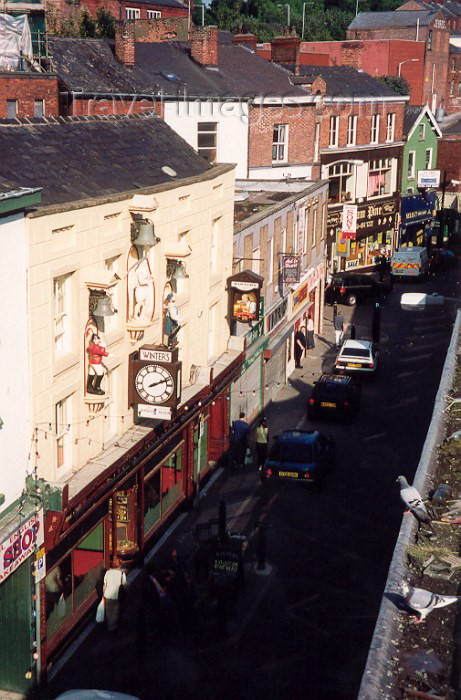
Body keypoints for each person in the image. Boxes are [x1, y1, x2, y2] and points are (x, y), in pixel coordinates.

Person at [103, 557, 127, 632]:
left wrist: (103, 594)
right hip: (116, 595)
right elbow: (125, 585)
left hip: (107, 594)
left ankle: (109, 626)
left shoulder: (108, 572)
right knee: (115, 611)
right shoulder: (121, 574)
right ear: (120, 565)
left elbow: (104, 585)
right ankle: (113, 627)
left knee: (108, 611)